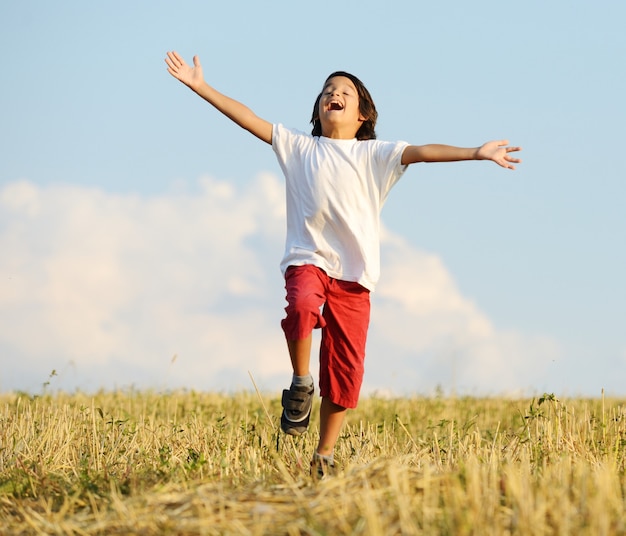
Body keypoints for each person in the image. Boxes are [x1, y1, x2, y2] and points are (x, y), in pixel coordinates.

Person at [164, 51, 522, 478]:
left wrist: (476, 152)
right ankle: (300, 382)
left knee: (345, 369)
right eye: (327, 91)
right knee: (300, 308)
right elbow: (248, 117)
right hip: (307, 259)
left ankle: (324, 454)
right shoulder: (299, 147)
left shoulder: (377, 155)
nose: (333, 94)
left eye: (344, 92)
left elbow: (424, 151)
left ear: (363, 114)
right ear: (319, 109)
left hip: (355, 276)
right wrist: (199, 85)